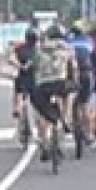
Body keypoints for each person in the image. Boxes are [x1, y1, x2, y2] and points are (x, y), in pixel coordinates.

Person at [30, 25, 76, 162]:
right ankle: (66, 118)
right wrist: (73, 79)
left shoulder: (39, 49)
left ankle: (44, 144)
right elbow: (73, 67)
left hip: (43, 84)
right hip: (60, 83)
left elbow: (34, 67)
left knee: (43, 114)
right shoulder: (68, 49)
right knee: (70, 93)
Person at [67, 24, 95, 134]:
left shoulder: (68, 43)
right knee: (85, 105)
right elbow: (94, 59)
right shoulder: (88, 42)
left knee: (69, 100)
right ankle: (88, 134)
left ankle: (68, 122)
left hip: (71, 76)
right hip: (86, 74)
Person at [9, 28, 39, 119]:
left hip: (22, 76)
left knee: (17, 92)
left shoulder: (19, 48)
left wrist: (20, 66)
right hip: (34, 78)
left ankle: (16, 108)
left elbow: (11, 59)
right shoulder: (37, 49)